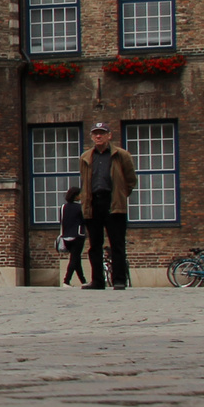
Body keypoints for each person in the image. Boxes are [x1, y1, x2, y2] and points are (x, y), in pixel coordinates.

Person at [78, 122, 137, 290]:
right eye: (95, 133)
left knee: (117, 243)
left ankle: (119, 280)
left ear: (109, 135)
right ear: (91, 137)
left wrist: (121, 194)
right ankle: (97, 280)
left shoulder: (121, 155)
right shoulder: (85, 157)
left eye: (102, 133)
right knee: (94, 245)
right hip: (93, 202)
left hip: (113, 202)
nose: (98, 136)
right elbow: (84, 181)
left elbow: (131, 179)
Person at [59, 186, 86, 287]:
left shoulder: (63, 207)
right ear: (75, 196)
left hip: (66, 236)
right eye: (79, 194)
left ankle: (83, 281)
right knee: (74, 259)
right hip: (78, 235)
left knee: (76, 259)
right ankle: (66, 281)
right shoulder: (80, 208)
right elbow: (84, 221)